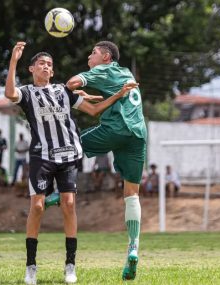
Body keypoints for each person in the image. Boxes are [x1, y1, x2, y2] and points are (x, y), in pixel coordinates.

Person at [5, 41, 138, 285]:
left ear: (53, 72)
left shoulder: (63, 91)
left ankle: (70, 266)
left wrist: (118, 95)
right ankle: (31, 267)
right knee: (36, 208)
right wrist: (13, 61)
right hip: (41, 156)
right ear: (32, 69)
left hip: (67, 157)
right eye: (41, 64)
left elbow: (93, 110)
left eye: (49, 64)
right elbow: (9, 93)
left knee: (68, 205)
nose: (46, 67)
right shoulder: (26, 92)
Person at [66, 40, 146, 280]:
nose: (89, 57)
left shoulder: (102, 69)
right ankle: (133, 248)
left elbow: (71, 83)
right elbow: (114, 95)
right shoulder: (125, 73)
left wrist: (76, 88)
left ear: (106, 57)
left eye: (93, 53)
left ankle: (55, 192)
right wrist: (89, 95)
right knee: (132, 194)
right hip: (138, 134)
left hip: (116, 129)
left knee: (71, 145)